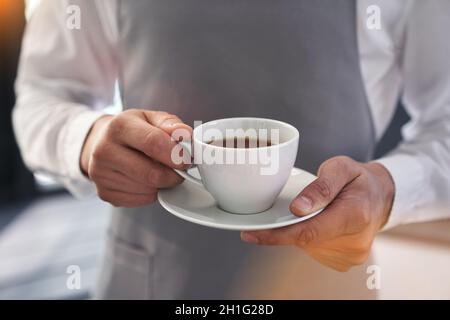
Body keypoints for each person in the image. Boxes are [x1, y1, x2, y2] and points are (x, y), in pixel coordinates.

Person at [13, 0, 450, 299]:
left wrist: (387, 190)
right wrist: (86, 138)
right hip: (151, 278)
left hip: (330, 280)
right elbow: (42, 98)